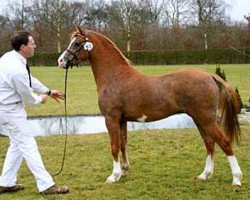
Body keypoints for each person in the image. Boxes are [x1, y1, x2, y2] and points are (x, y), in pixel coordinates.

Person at [0, 30, 69, 195]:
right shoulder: (15, 69)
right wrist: (41, 99)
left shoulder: (11, 57)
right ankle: (46, 185)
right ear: (23, 47)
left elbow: (29, 79)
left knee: (17, 145)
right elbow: (28, 96)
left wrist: (48, 90)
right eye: (32, 43)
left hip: (8, 108)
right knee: (28, 145)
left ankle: (6, 182)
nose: (35, 45)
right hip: (9, 110)